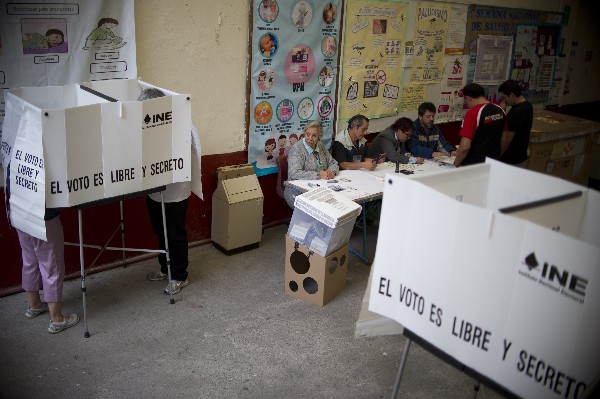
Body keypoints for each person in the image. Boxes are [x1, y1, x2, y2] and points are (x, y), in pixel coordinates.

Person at [6, 164, 79, 334]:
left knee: (29, 260)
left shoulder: (16, 150)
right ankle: (57, 319)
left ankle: (34, 305)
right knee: (51, 266)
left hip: (18, 212)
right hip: (44, 217)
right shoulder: (41, 150)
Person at [139, 88, 191, 295]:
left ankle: (179, 275)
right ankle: (165, 268)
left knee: (175, 234)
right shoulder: (147, 126)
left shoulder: (179, 127)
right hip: (154, 191)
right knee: (160, 231)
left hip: (175, 194)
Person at [284, 120, 339, 208]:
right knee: (321, 208)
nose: (310, 138)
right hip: (296, 191)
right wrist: (319, 175)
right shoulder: (297, 149)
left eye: (314, 135)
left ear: (319, 137)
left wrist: (332, 172)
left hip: (320, 187)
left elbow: (333, 162)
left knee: (335, 203)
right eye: (307, 134)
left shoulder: (320, 145)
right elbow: (294, 173)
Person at [454, 83, 506, 167]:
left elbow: (465, 147)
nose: (467, 104)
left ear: (468, 98)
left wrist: (456, 163)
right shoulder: (500, 110)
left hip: (475, 165)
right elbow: (504, 139)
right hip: (494, 162)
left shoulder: (473, 113)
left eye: (466, 101)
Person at [498, 79, 533, 167]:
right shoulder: (528, 105)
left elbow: (507, 139)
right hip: (521, 156)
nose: (505, 100)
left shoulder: (517, 112)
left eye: (505, 97)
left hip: (511, 160)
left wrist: (498, 156)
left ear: (512, 94)